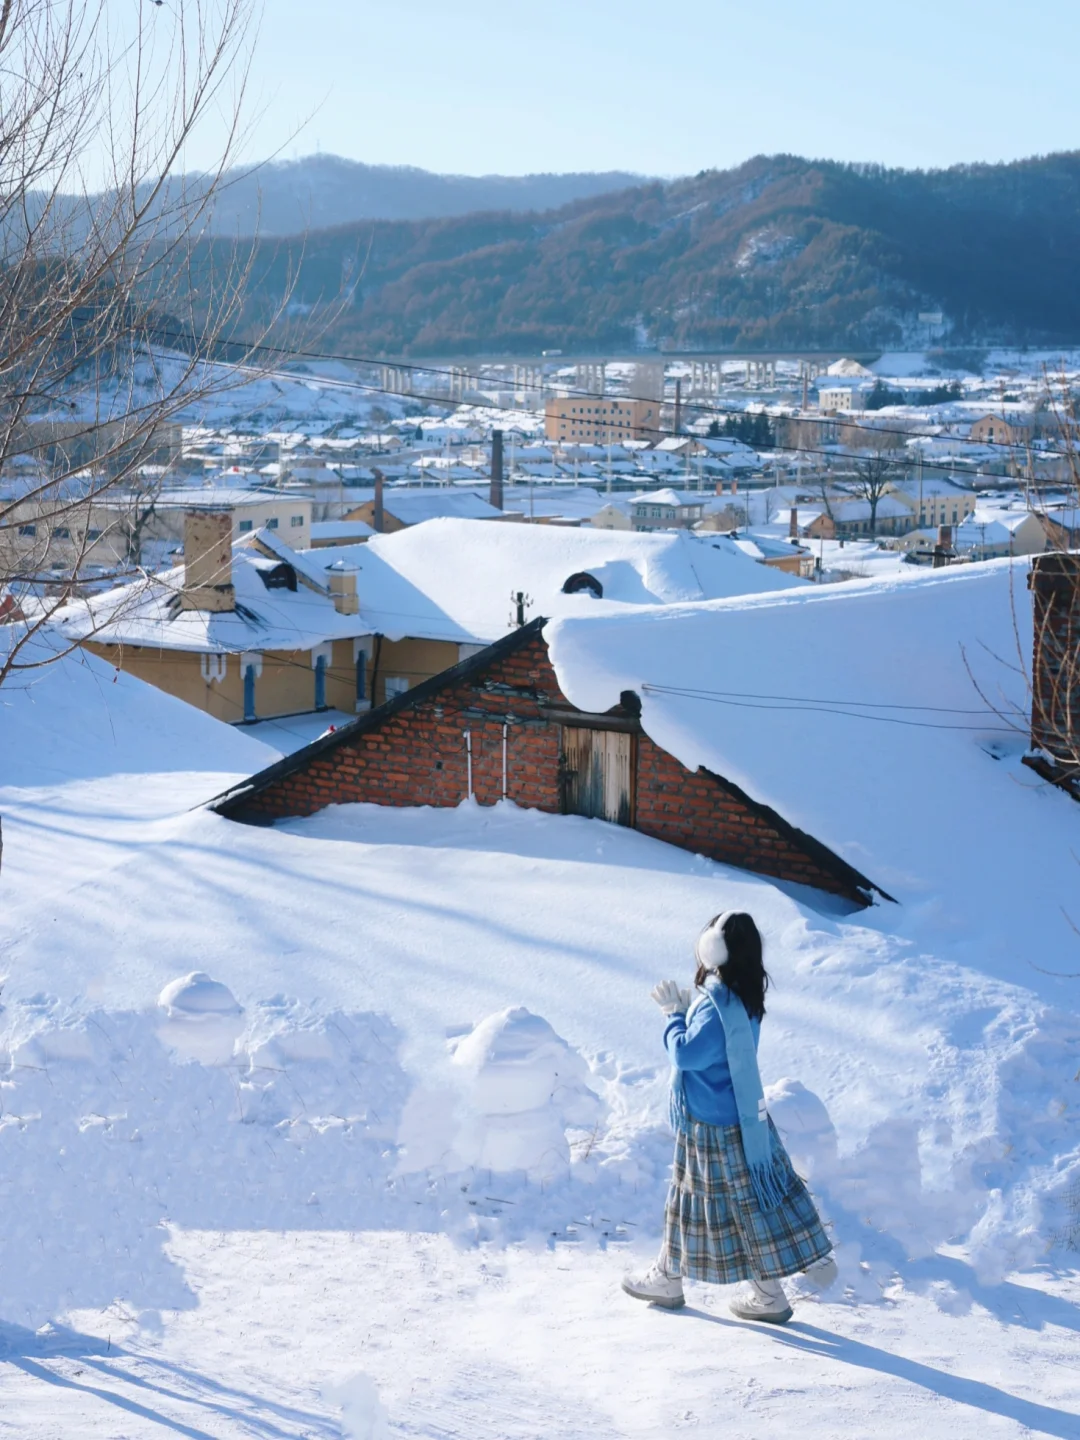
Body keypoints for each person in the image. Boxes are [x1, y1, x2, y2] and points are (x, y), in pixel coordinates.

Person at [622, 911, 836, 1323]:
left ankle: (671, 1279)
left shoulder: (715, 1004)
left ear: (713, 948)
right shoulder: (745, 995)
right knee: (743, 1202)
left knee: (691, 1200)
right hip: (743, 1116)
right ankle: (766, 1290)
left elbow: (686, 1054)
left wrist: (673, 1016)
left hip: (711, 1125)